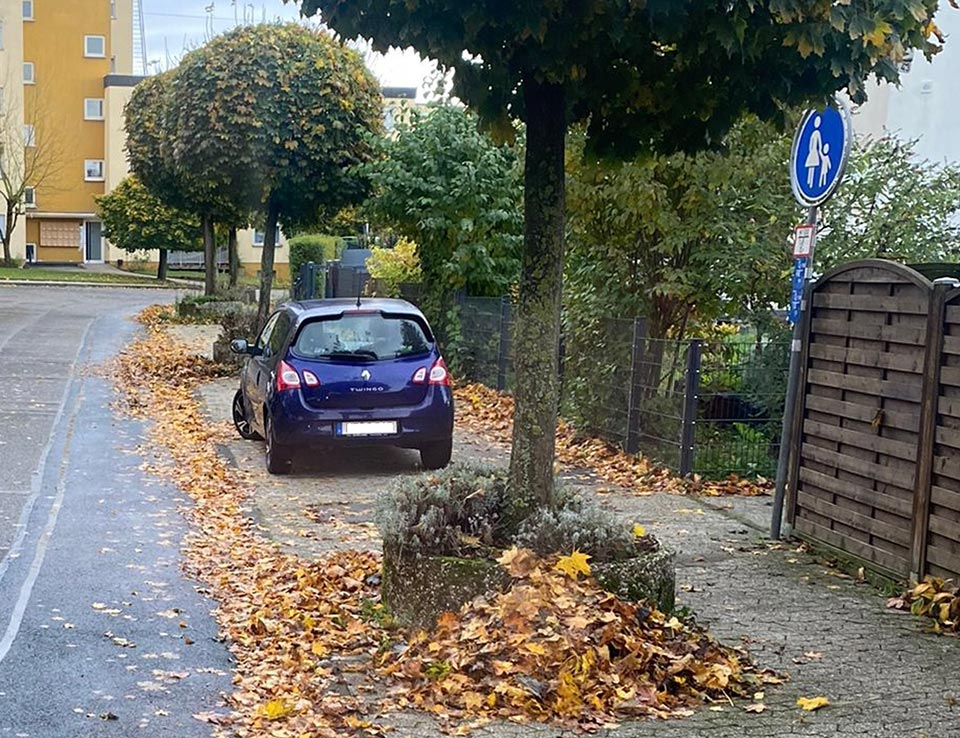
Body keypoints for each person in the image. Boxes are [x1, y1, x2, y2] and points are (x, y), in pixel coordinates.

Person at [805, 116, 822, 189]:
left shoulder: (816, 133)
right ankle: (809, 183)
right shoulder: (815, 133)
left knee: (812, 166)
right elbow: (818, 144)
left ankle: (810, 182)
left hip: (813, 151)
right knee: (812, 165)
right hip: (813, 151)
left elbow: (818, 143)